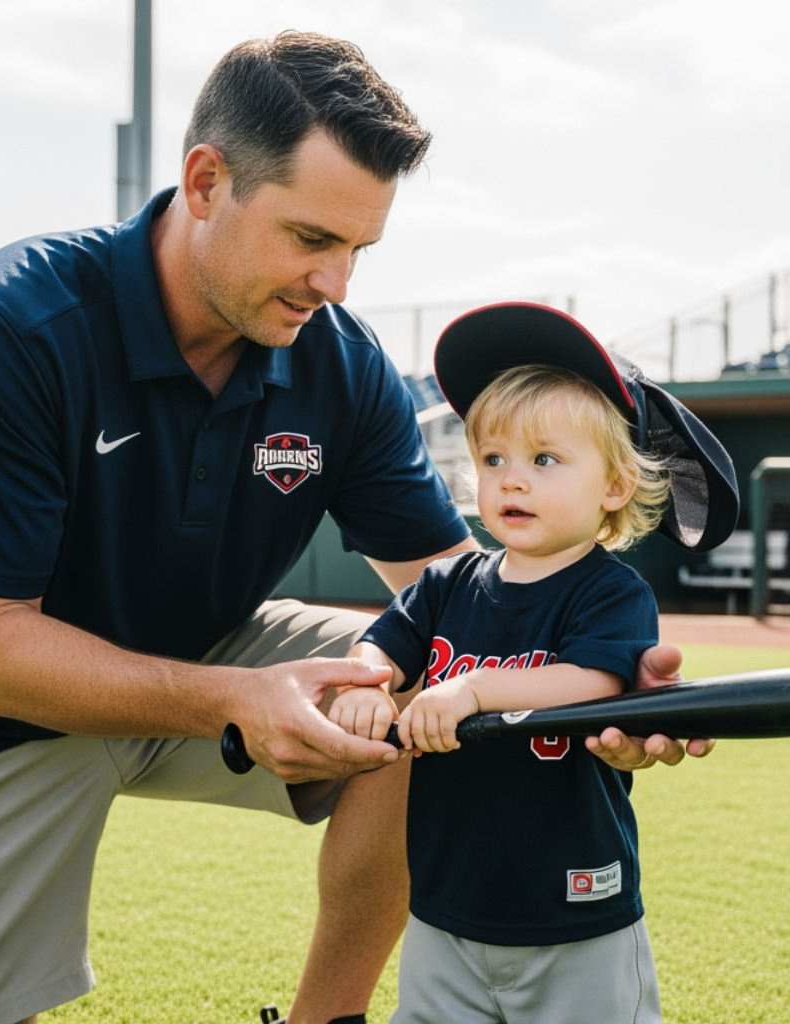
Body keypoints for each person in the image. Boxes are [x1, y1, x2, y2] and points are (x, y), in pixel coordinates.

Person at [0, 33, 733, 1024]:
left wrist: (599, 690)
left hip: (209, 657)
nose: (335, 284)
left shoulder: (339, 362)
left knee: (427, 665)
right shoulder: (3, 326)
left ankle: (327, 1019)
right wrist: (235, 699)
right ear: (206, 181)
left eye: (358, 250)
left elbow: (467, 590)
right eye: (310, 239)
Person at [325, 303, 738, 1023]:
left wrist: (471, 689)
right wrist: (367, 685)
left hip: (574, 910)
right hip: (445, 907)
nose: (511, 481)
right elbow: (382, 647)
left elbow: (592, 681)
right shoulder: (444, 585)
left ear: (613, 486)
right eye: (493, 460)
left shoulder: (609, 592)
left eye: (545, 460)